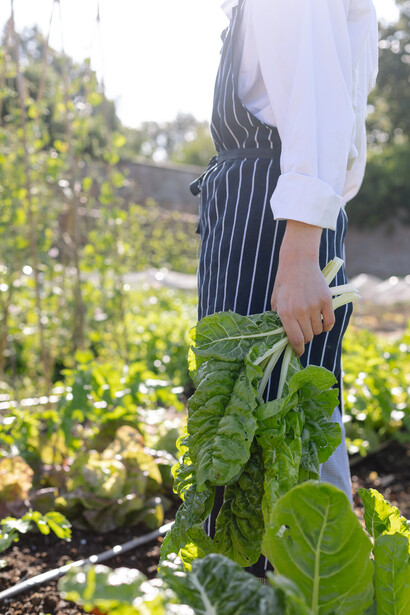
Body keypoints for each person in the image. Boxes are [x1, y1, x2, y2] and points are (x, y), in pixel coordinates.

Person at [191, 0, 378, 577]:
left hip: (270, 217)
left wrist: (299, 253)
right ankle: (317, 586)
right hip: (267, 207)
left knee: (264, 434)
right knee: (280, 425)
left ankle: (279, 590)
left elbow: (317, 105)